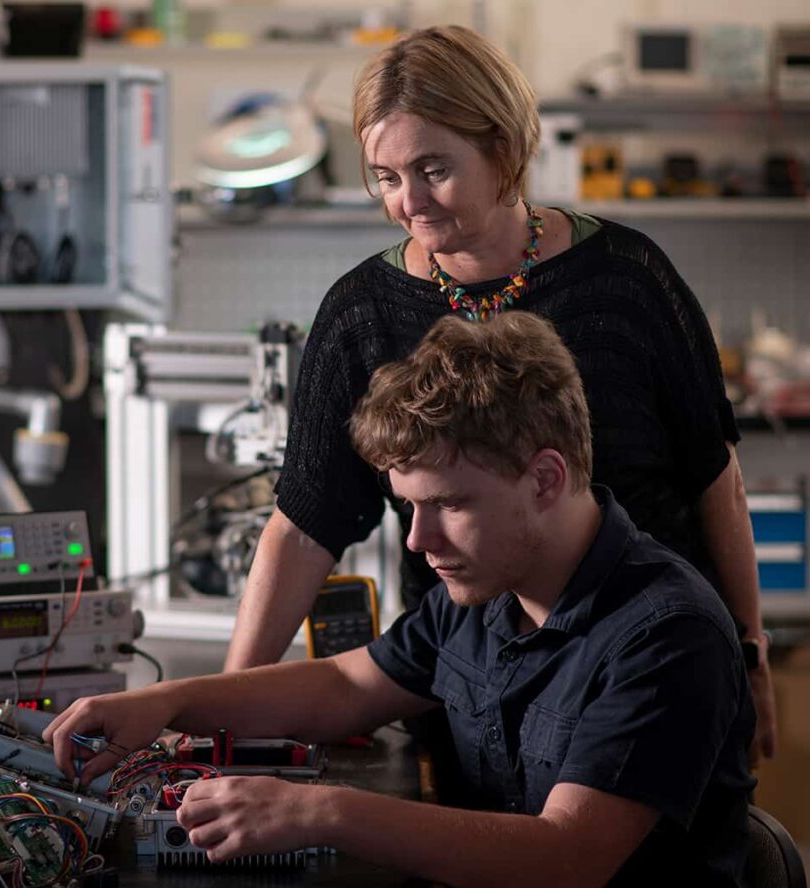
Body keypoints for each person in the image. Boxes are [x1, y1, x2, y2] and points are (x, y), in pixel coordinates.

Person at [46, 312, 758, 888]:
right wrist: (170, 703)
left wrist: (315, 810)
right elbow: (348, 683)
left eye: (448, 504)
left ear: (546, 479)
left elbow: (563, 860)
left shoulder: (667, 635)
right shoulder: (483, 593)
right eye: (410, 506)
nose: (419, 540)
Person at [222, 24, 775, 764]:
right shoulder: (363, 313)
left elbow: (716, 478)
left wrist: (749, 650)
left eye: (433, 169)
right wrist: (229, 706)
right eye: (386, 178)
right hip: (472, 685)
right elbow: (304, 523)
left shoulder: (628, 281)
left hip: (645, 671)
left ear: (504, 152)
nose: (409, 202)